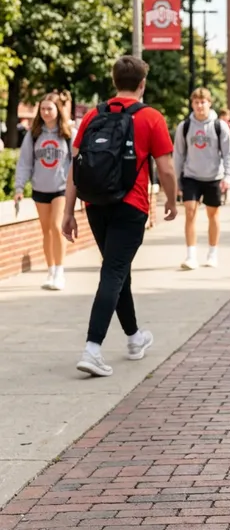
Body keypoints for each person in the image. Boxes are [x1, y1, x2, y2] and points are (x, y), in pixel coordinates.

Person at [62, 56, 178, 378]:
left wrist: (69, 211)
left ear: (114, 81)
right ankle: (92, 348)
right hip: (132, 204)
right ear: (143, 83)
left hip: (95, 204)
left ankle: (134, 338)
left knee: (117, 269)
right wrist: (172, 200)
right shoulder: (150, 117)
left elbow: (76, 167)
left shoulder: (92, 117)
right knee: (113, 271)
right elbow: (166, 168)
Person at [14, 92, 74, 290]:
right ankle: (50, 271)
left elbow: (76, 163)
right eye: (43, 109)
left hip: (61, 188)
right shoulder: (34, 135)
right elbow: (24, 163)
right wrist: (19, 187)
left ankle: (60, 271)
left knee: (57, 227)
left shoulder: (67, 133)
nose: (46, 112)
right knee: (46, 231)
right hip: (40, 188)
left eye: (50, 108)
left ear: (58, 110)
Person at [173, 88, 230, 270]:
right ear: (192, 104)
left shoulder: (219, 126)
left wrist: (228, 176)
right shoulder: (184, 126)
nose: (200, 106)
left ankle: (212, 253)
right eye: (196, 102)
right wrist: (178, 180)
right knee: (190, 212)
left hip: (213, 176)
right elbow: (178, 154)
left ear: (209, 103)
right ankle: (191, 255)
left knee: (213, 214)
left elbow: (228, 152)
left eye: (203, 102)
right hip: (191, 175)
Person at [218, 107, 230, 205]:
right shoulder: (218, 125)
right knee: (220, 173)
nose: (226, 118)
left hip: (228, 152)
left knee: (227, 172)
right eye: (224, 116)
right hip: (219, 153)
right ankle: (220, 194)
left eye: (228, 116)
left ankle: (226, 193)